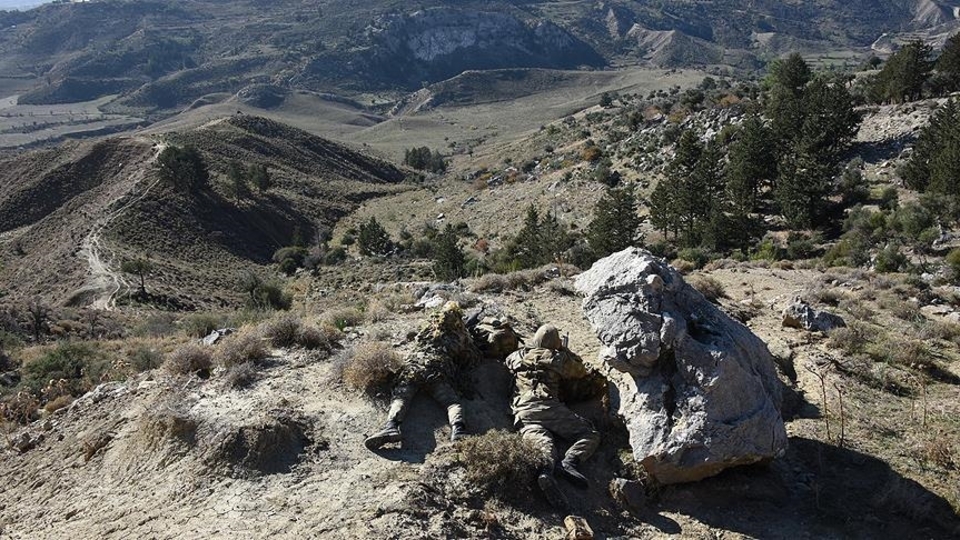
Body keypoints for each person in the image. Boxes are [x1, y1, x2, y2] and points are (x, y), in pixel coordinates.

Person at [504, 324, 606, 509]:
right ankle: (570, 461)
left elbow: (509, 363)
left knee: (544, 441)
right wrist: (565, 351)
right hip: (547, 406)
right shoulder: (557, 358)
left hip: (521, 411)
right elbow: (581, 370)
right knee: (589, 433)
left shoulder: (516, 356)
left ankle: (546, 472)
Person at [365, 301, 481, 451]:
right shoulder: (459, 335)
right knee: (452, 403)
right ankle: (458, 431)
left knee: (400, 398)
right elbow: (470, 358)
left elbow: (417, 340)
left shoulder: (427, 329)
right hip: (438, 372)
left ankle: (391, 427)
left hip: (412, 369)